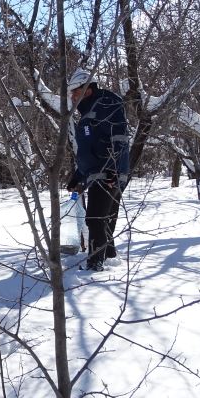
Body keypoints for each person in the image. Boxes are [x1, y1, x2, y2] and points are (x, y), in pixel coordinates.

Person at [65, 68, 130, 271]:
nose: (73, 97)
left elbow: (118, 137)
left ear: (87, 89)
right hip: (98, 172)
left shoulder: (105, 104)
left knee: (95, 218)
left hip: (108, 172)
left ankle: (95, 266)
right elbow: (89, 151)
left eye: (75, 92)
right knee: (104, 218)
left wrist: (112, 169)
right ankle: (109, 257)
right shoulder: (87, 113)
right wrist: (78, 176)